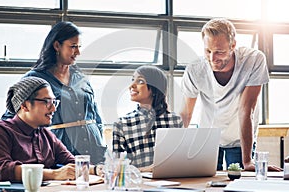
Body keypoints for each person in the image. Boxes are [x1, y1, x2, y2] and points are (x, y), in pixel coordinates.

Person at [180, 18, 282, 171]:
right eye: (208, 51)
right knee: (208, 185)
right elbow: (186, 114)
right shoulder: (195, 69)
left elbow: (246, 110)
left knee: (240, 183)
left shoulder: (253, 60)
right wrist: (173, 155)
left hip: (239, 139)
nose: (212, 59)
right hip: (208, 138)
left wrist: (247, 161)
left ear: (233, 45)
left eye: (219, 52)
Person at [2, 21, 106, 165]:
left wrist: (101, 142)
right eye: (73, 47)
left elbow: (95, 115)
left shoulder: (81, 78)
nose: (78, 52)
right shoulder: (34, 78)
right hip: (60, 154)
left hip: (94, 152)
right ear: (57, 46)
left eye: (79, 47)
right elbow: (11, 118)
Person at [0, 77, 100, 181]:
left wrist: (96, 170)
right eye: (46, 102)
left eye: (54, 102)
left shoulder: (46, 134)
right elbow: (0, 170)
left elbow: (70, 161)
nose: (53, 109)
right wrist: (55, 174)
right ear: (24, 106)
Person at [112, 65, 183, 168]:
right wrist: (147, 170)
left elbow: (181, 161)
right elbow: (117, 167)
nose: (132, 85)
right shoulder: (122, 124)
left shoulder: (175, 121)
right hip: (138, 183)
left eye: (140, 81)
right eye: (133, 80)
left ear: (155, 88)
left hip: (172, 182)